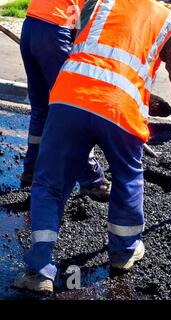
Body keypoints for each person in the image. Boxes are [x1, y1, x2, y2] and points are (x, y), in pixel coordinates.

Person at [14, 0, 171, 294]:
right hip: (119, 109)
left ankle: (38, 272)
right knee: (127, 176)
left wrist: (145, 95)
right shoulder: (166, 19)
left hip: (70, 97)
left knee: (49, 184)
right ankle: (123, 251)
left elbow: (95, 55)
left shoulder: (100, 3)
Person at [19, 0, 110, 201]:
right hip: (54, 31)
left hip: (31, 28)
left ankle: (31, 171)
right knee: (76, 107)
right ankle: (92, 180)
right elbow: (85, 30)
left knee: (41, 108)